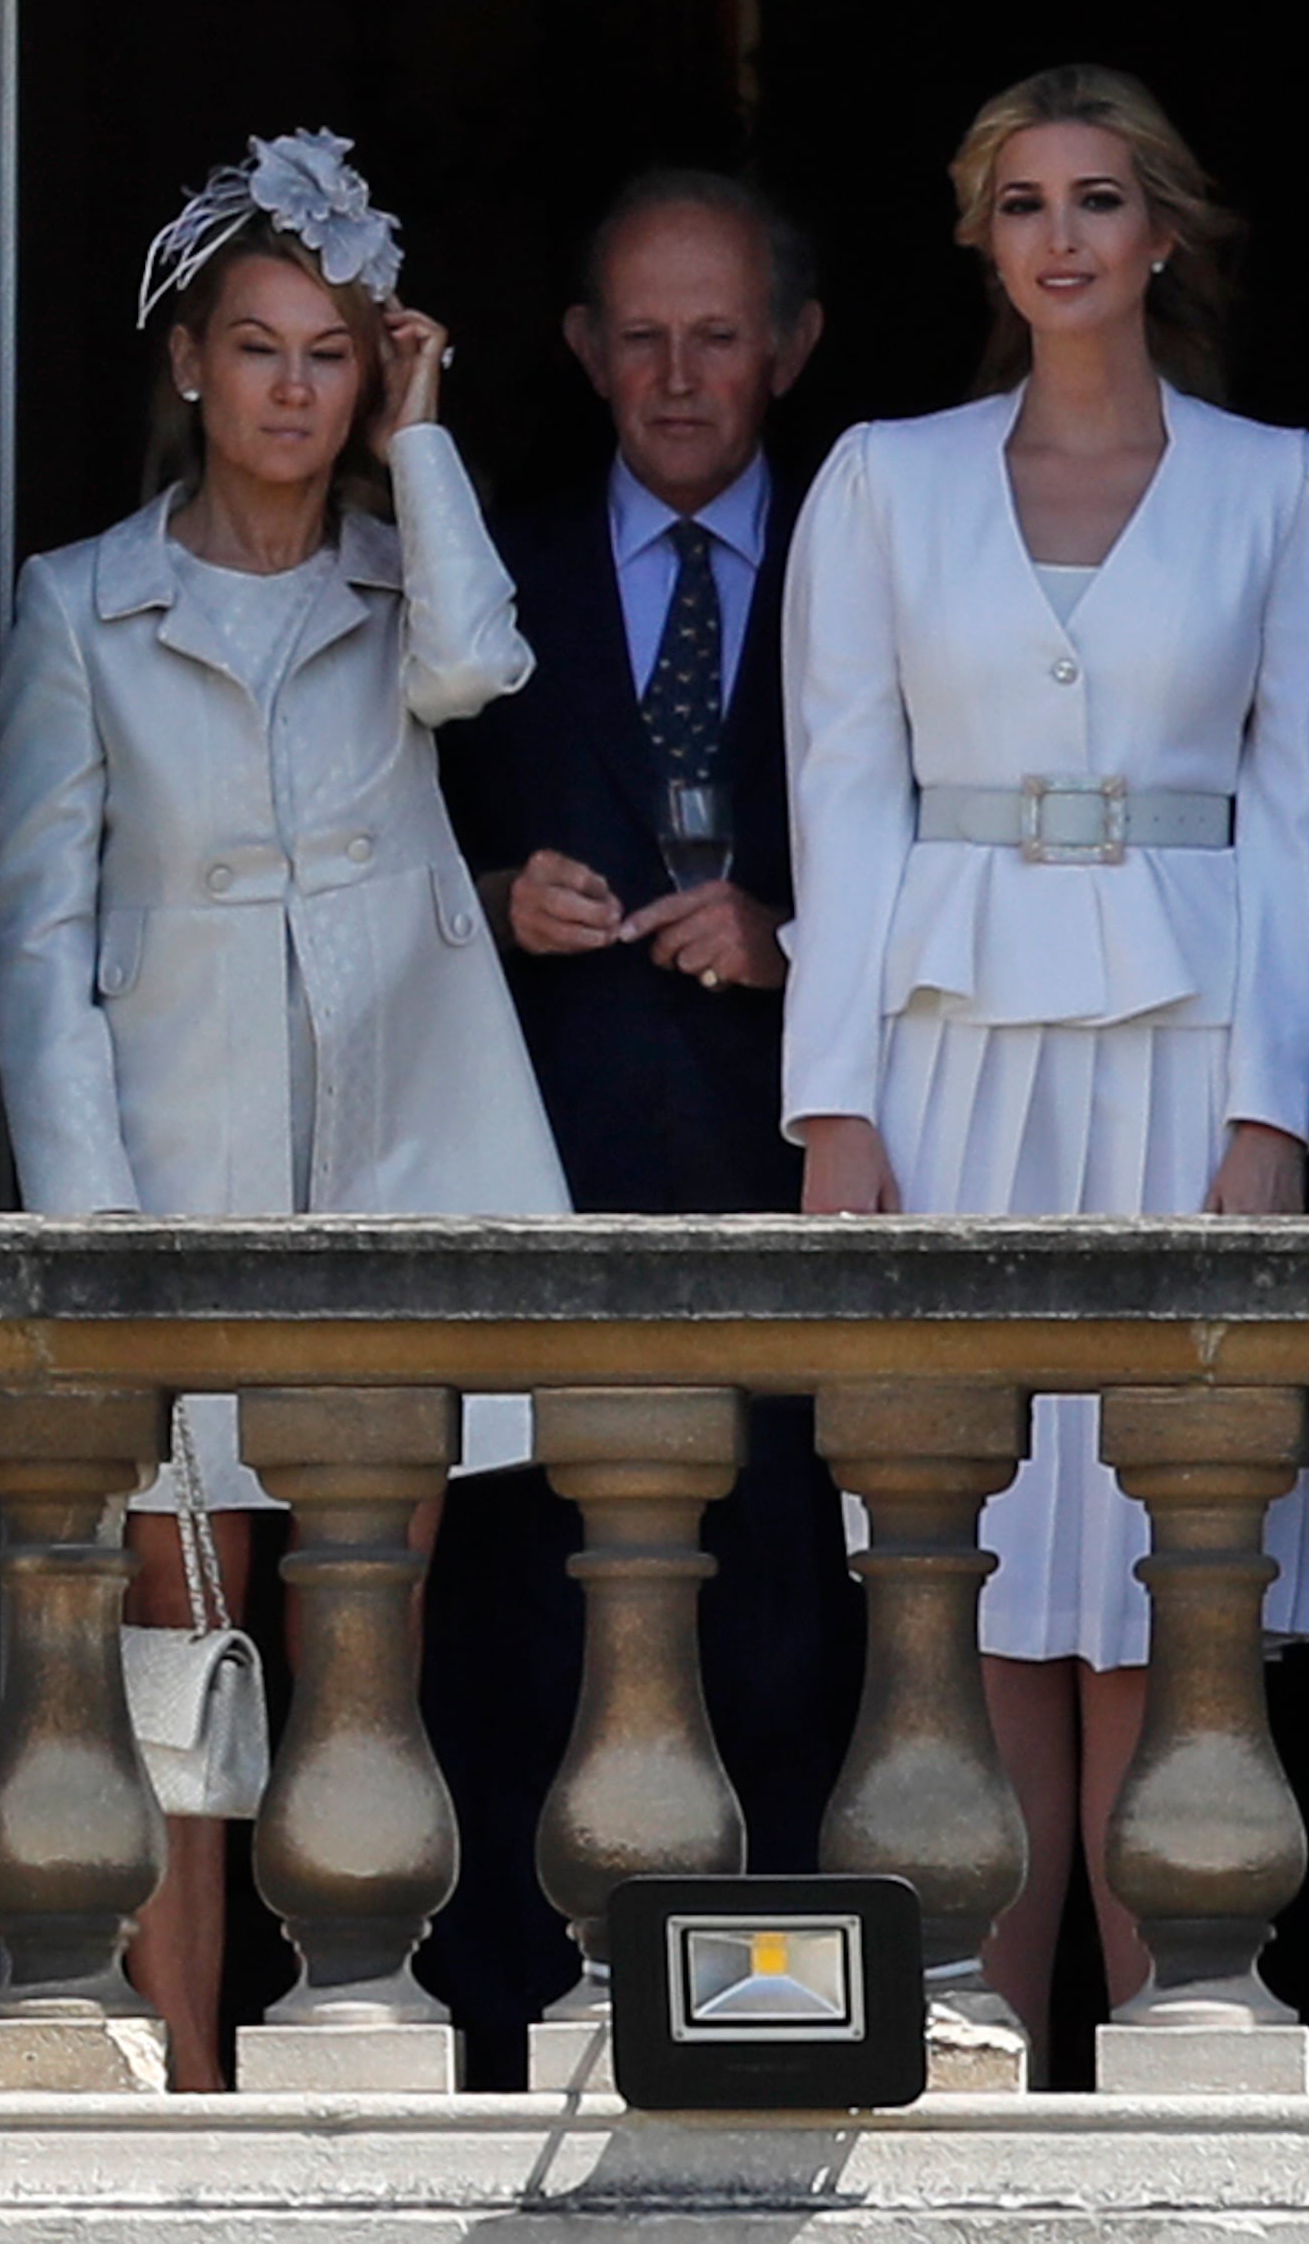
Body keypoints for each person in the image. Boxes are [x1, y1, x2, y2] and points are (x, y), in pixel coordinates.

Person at [782, 64, 1309, 2073]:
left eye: (1098, 198)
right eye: (1021, 200)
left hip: (1189, 1059)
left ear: (1163, 232)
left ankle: (1180, 2057)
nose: (1061, 236)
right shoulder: (879, 476)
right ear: (984, 236)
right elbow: (840, 798)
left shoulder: (1286, 482)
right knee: (977, 1580)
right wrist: (831, 1105)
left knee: (1167, 1578)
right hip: (947, 1062)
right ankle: (981, 2061)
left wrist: (1274, 1116)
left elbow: (1302, 818)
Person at [0, 127, 567, 2089]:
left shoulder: (414, 577)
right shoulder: (78, 604)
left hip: (393, 1168)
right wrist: (97, 1234)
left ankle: (352, 2046)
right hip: (180, 1174)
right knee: (180, 1668)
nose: (295, 386)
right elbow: (37, 941)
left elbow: (485, 663)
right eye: (260, 347)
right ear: (188, 365)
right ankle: (182, 2085)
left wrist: (429, 432)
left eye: (334, 351)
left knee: (357, 1648)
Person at [427, 172, 863, 2055]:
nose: (680, 378)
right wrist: (493, 893)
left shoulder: (885, 561)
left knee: (795, 1632)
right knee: (534, 1636)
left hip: (798, 1181)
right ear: (587, 353)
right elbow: (383, 851)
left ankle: (777, 2024)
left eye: (719, 334)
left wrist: (802, 934)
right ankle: (519, 2030)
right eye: (643, 337)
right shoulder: (485, 574)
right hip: (549, 1184)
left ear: (792, 347)